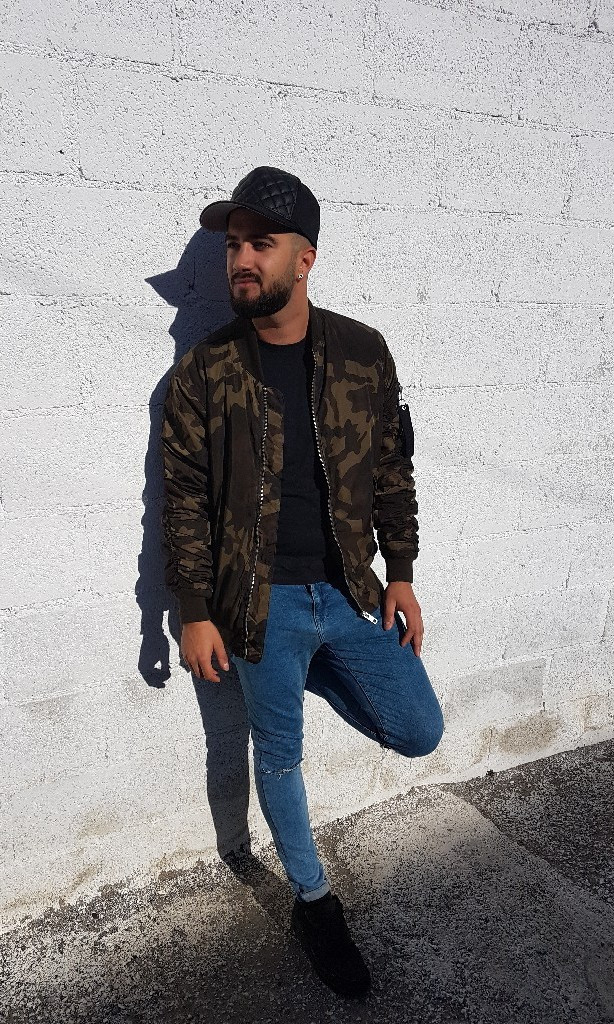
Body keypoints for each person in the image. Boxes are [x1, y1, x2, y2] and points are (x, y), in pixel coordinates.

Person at [160, 165, 444, 1000]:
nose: (241, 260)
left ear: (304, 258)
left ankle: (301, 669)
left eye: (261, 243)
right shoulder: (206, 368)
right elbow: (182, 496)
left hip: (350, 591)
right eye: (233, 245)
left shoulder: (362, 351)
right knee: (278, 755)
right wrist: (193, 611)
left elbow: (392, 468)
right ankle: (314, 906)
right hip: (258, 604)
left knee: (419, 729)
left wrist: (402, 572)